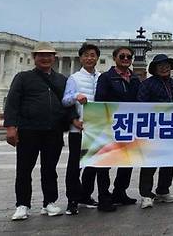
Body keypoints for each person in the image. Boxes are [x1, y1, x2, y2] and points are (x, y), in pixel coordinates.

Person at [4, 42, 75, 220]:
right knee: (23, 169)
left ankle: (49, 202)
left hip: (53, 130)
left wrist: (73, 120)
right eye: (41, 55)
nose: (45, 58)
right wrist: (11, 127)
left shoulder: (62, 79)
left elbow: (68, 104)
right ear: (34, 57)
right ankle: (22, 204)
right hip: (29, 129)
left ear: (54, 58)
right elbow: (12, 102)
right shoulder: (23, 77)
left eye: (48, 55)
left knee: (50, 169)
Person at [62, 43, 116, 215]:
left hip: (97, 128)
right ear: (80, 58)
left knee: (94, 164)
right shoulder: (74, 78)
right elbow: (65, 100)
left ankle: (85, 195)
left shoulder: (102, 77)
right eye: (86, 55)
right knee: (75, 165)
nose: (89, 58)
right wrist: (76, 98)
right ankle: (72, 200)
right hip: (79, 127)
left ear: (97, 58)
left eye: (93, 55)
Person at [94, 46, 140, 207]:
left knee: (127, 161)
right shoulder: (106, 78)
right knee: (105, 162)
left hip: (129, 125)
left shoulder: (134, 78)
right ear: (115, 58)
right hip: (110, 123)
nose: (126, 59)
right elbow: (100, 100)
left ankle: (120, 191)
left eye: (129, 57)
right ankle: (104, 196)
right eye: (122, 56)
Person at [136, 54, 173, 209]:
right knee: (149, 163)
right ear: (154, 68)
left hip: (171, 129)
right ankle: (146, 194)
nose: (164, 67)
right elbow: (141, 104)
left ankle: (163, 190)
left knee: (168, 162)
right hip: (153, 129)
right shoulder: (147, 84)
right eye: (160, 65)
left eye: (167, 65)